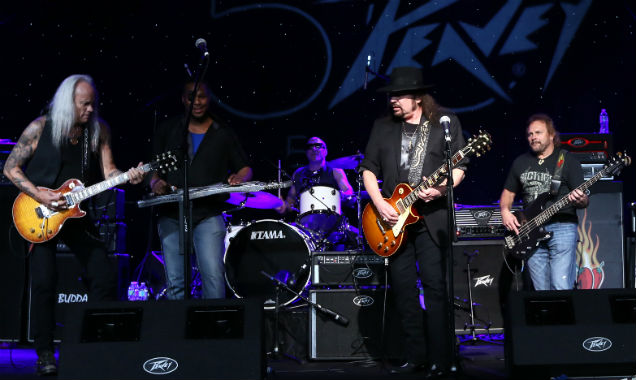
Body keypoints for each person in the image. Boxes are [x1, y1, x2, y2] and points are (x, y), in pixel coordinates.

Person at [2, 74, 146, 376]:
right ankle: (44, 353)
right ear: (69, 103)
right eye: (84, 104)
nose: (91, 110)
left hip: (76, 213)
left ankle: (91, 344)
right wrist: (37, 192)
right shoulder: (40, 127)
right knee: (44, 282)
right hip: (40, 213)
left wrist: (127, 175)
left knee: (103, 274)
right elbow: (10, 167)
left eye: (94, 104)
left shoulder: (98, 131)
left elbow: (109, 172)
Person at [358, 66, 467, 376]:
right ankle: (414, 355)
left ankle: (441, 357)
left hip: (432, 219)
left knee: (435, 289)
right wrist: (379, 203)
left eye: (399, 95)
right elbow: (368, 169)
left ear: (417, 97)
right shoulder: (382, 127)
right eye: (391, 95)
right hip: (393, 220)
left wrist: (444, 188)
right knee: (404, 290)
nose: (392, 100)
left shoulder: (443, 124)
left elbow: (460, 164)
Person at [149, 80, 252, 300]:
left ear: (209, 98)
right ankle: (179, 331)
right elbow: (153, 169)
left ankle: (212, 330)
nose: (197, 102)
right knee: (176, 283)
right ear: (183, 99)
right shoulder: (168, 130)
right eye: (191, 97)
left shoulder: (222, 131)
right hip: (171, 214)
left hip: (208, 215)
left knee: (213, 278)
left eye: (202, 97)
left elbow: (245, 168)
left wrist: (239, 177)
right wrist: (155, 182)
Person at [500, 113, 588, 290]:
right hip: (530, 230)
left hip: (562, 227)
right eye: (530, 134)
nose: (533, 137)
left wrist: (580, 199)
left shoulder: (567, 161)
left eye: (538, 133)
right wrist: (505, 211)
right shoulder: (520, 162)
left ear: (551, 135)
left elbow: (583, 200)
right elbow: (508, 193)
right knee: (540, 290)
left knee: (561, 285)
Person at [277, 137, 355, 244]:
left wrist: (342, 195)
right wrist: (282, 206)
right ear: (306, 152)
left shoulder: (335, 170)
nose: (314, 149)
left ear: (326, 151)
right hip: (306, 226)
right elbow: (291, 199)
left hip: (334, 225)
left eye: (318, 146)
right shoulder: (298, 173)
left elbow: (349, 193)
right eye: (310, 147)